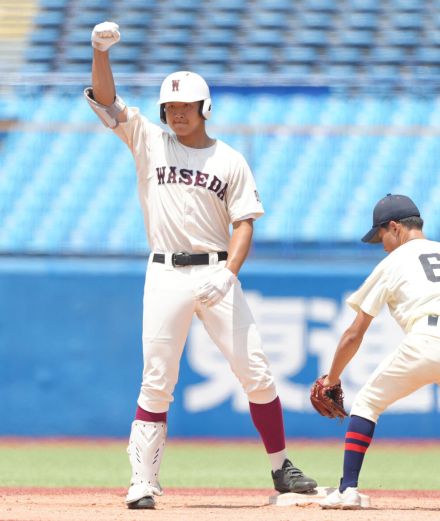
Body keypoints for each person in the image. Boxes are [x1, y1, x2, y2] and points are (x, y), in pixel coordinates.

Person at [85, 21, 317, 510]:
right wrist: (99, 53)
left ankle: (280, 467)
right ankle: (143, 480)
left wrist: (229, 271)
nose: (176, 113)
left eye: (186, 106)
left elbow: (245, 223)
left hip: (216, 272)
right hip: (166, 271)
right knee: (157, 378)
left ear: (205, 108)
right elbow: (107, 103)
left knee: (256, 372)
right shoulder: (149, 139)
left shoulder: (229, 159)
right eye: (169, 106)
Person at [318, 193, 440, 509]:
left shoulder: (394, 262)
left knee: (368, 402)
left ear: (395, 227)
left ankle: (348, 489)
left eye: (381, 235)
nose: (382, 244)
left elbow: (353, 335)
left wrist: (332, 378)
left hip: (427, 339)